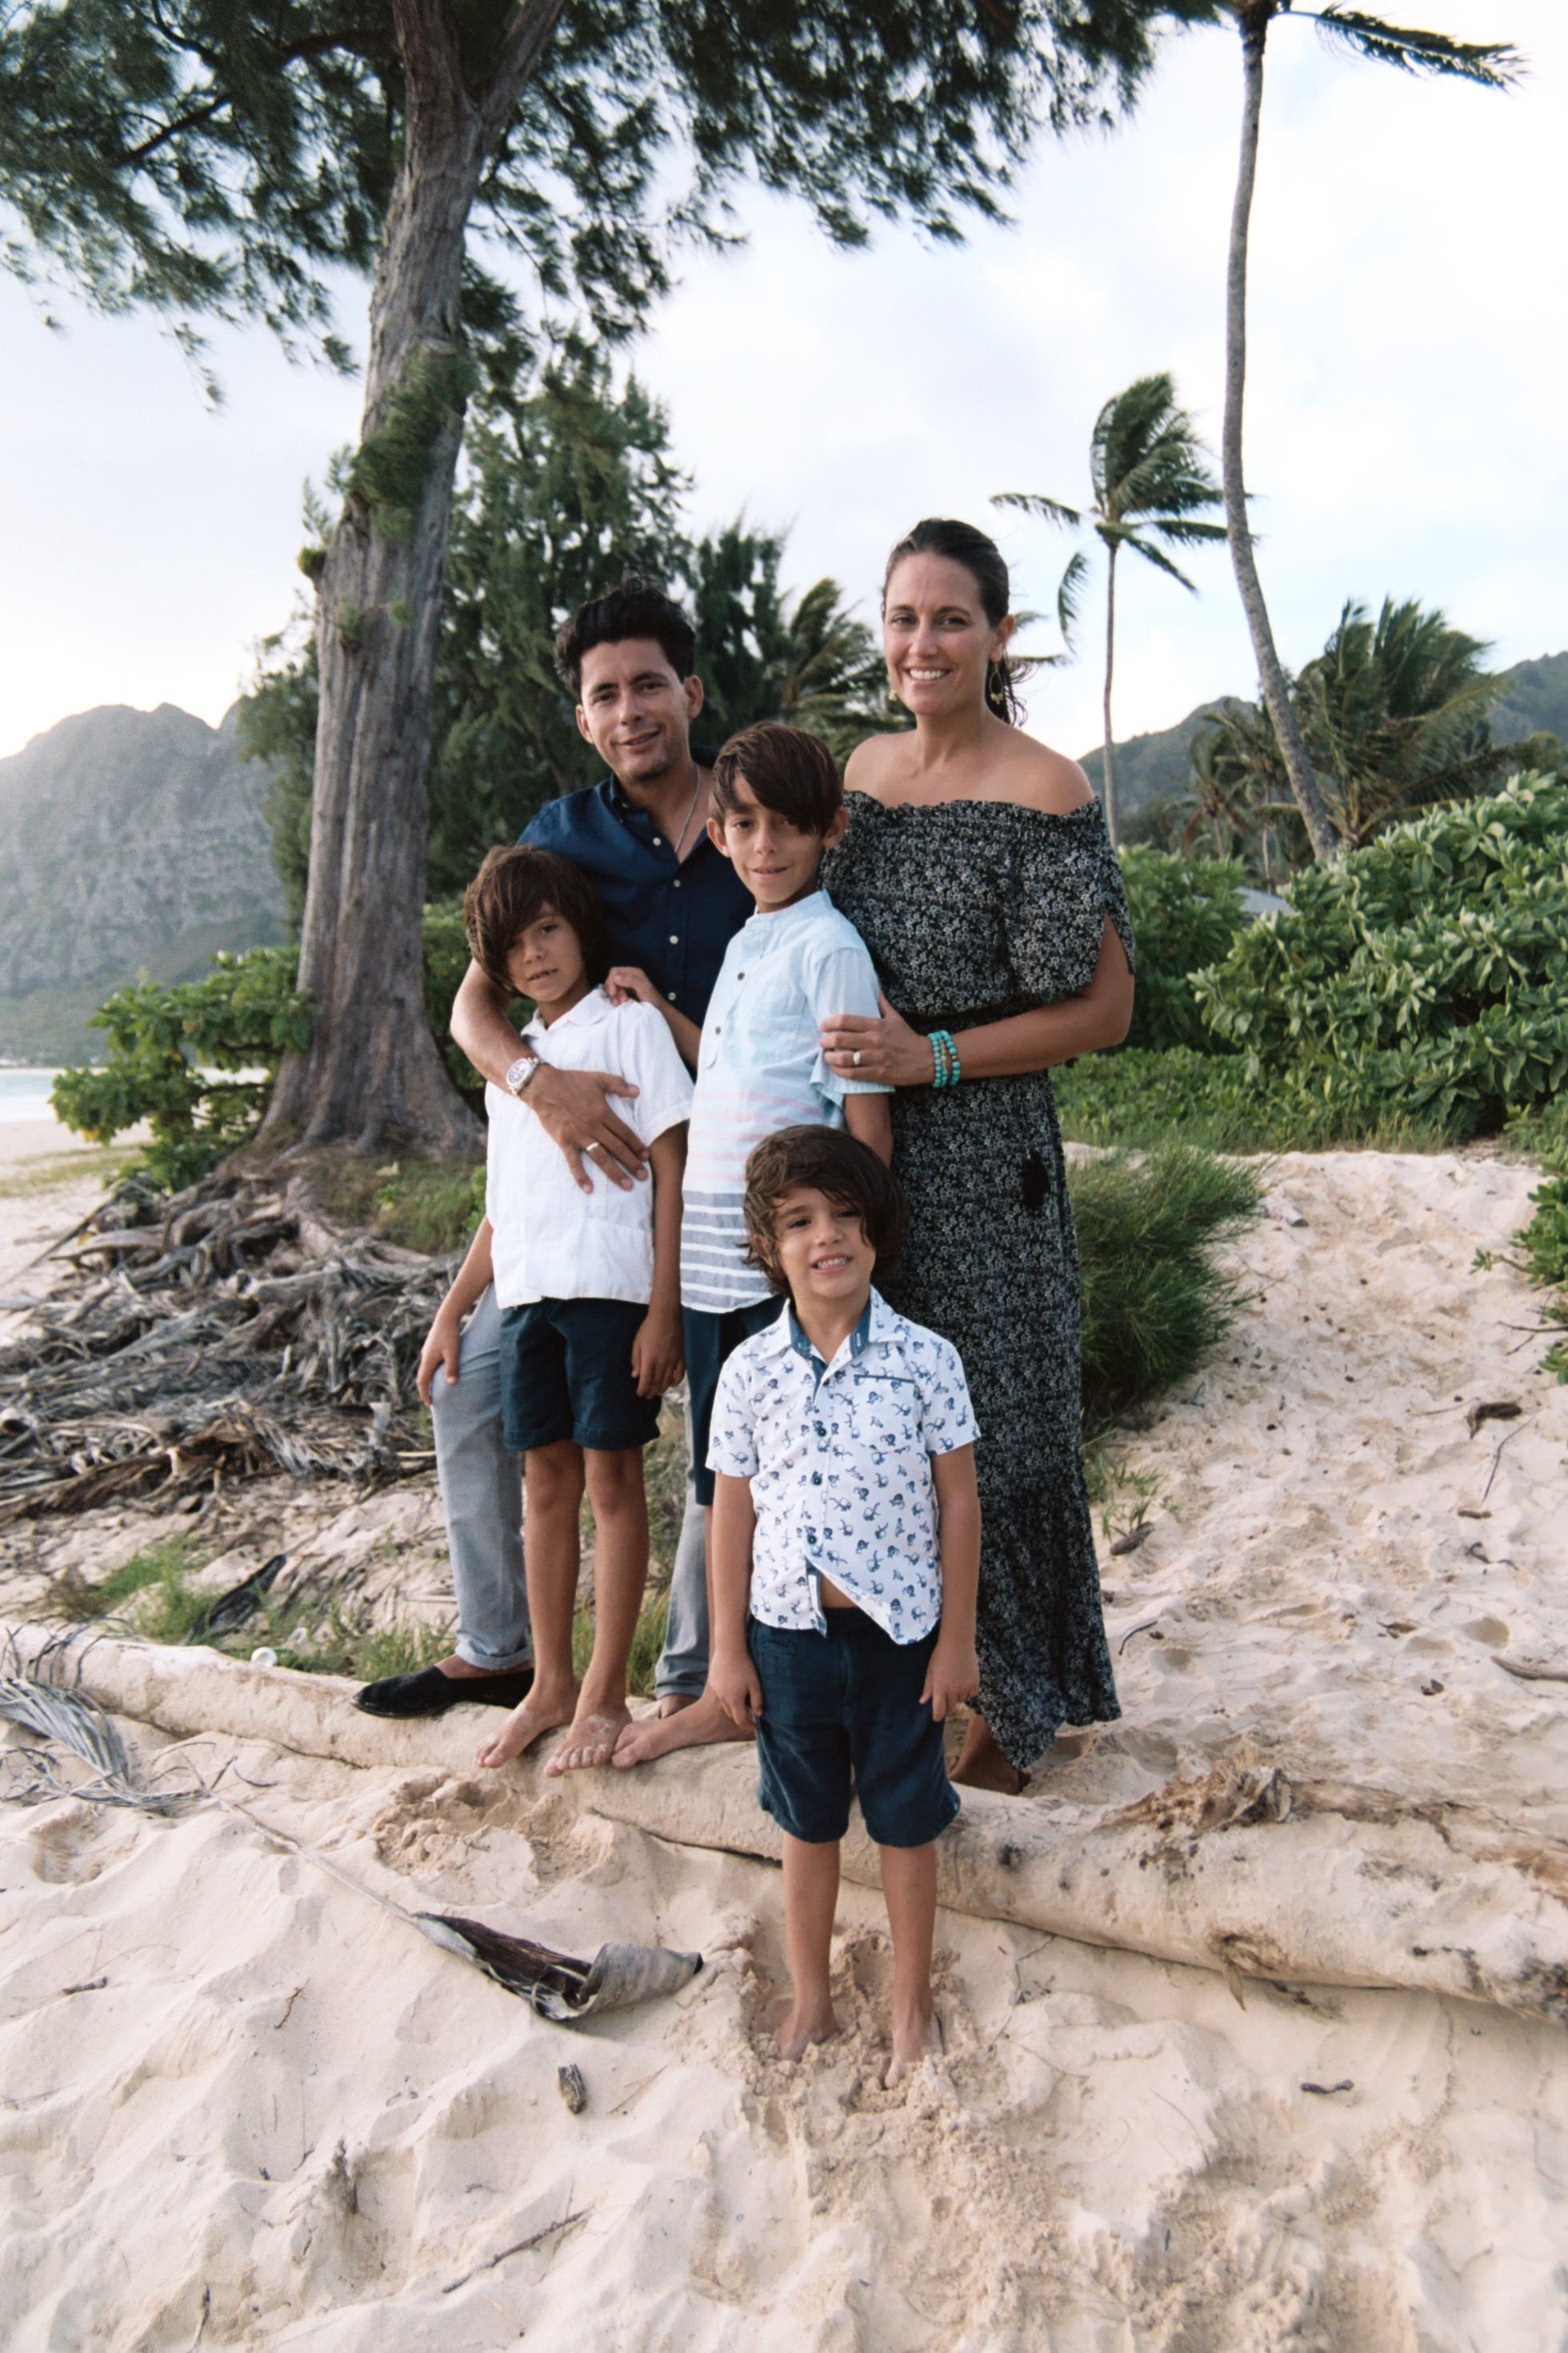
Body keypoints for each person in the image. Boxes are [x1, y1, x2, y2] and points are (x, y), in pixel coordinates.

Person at [357, 578, 750, 1722]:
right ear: (583, 717)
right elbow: (473, 1012)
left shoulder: (751, 818)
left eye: (647, 686)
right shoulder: (560, 839)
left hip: (722, 1183)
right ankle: (502, 1647)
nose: (630, 711)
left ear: (691, 692)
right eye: (604, 694)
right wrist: (545, 1089)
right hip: (569, 1217)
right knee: (469, 1384)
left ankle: (680, 1675)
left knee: (712, 1426)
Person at [818, 517, 1136, 1795]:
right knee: (897, 1429)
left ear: (1000, 636)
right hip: (866, 1161)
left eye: (952, 619)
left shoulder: (1046, 787)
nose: (923, 642)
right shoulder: (861, 776)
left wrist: (929, 1060)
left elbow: (1108, 1012)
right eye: (903, 618)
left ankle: (1022, 1706)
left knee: (1005, 1431)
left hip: (988, 1155)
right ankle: (923, 1688)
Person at [606, 722, 894, 1768]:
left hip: (783, 1269)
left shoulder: (830, 945)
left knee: (783, 1480)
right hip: (714, 1266)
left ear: (828, 830)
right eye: (745, 825)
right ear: (720, 834)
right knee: (720, 1475)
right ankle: (707, 1678)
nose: (764, 844)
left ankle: (763, 1687)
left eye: (787, 825)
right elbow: (733, 1076)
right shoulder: (746, 943)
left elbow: (863, 1119)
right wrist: (663, 1011)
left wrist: (853, 1273)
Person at [707, 1126, 981, 2079]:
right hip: (786, 1637)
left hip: (903, 1636)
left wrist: (957, 1643)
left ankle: (911, 2006)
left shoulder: (926, 1359)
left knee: (907, 1819)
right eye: (800, 1221)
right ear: (770, 1247)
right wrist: (726, 1652)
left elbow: (959, 1501)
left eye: (847, 1215)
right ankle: (811, 1998)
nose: (829, 1236)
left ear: (874, 1232)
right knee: (806, 1821)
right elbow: (730, 1514)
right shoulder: (748, 1371)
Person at [432, 844, 694, 1773]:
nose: (535, 954)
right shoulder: (517, 1068)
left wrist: (665, 1307)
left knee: (612, 1483)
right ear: (495, 966)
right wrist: (455, 1307)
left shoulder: (627, 1026)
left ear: (579, 926)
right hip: (529, 1298)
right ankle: (548, 1681)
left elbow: (672, 1163)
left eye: (548, 929)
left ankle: (603, 1692)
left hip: (613, 1290)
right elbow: (505, 1208)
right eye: (513, 945)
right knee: (545, 1484)